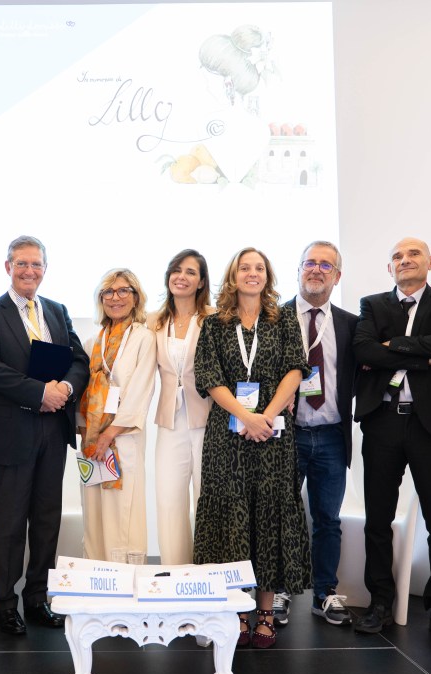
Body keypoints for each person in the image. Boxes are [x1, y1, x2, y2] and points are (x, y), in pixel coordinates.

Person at [352, 237, 431, 644]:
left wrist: (393, 347)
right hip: (383, 421)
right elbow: (364, 350)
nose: (405, 260)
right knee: (378, 518)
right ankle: (380, 602)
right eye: (397, 257)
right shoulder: (373, 305)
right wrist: (426, 354)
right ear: (390, 269)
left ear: (430, 262)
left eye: (413, 254)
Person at [192, 247, 311, 650]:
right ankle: (237, 611)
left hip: (273, 436)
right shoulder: (214, 324)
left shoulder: (283, 319)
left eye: (259, 268)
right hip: (226, 437)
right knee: (231, 519)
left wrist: (266, 417)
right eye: (245, 267)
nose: (252, 273)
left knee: (269, 518)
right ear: (233, 276)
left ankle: (265, 613)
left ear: (267, 276)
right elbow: (209, 377)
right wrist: (246, 416)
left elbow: (295, 369)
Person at [0, 235, 90, 635]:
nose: (29, 271)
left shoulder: (56, 310)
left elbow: (79, 361)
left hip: (53, 428)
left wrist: (65, 390)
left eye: (36, 264)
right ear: (8, 267)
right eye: (21, 264)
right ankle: (5, 603)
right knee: (9, 522)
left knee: (46, 518)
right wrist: (40, 392)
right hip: (13, 429)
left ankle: (38, 597)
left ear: (45, 269)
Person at [276, 241, 358, 627]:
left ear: (337, 276)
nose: (316, 270)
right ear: (298, 270)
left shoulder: (350, 323)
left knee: (328, 519)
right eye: (310, 262)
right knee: (280, 515)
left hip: (330, 436)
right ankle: (277, 589)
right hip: (285, 435)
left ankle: (325, 592)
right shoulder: (274, 318)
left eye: (326, 265)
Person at [79, 269, 156, 561]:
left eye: (124, 290)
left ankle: (124, 575)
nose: (116, 297)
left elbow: (140, 391)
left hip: (122, 438)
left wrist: (109, 434)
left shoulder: (144, 338)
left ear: (136, 297)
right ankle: (96, 572)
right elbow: (84, 392)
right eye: (108, 292)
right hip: (92, 441)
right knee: (94, 511)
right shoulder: (92, 342)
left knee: (122, 511)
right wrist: (86, 433)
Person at [149, 250, 214, 566]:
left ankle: (208, 572)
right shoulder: (153, 321)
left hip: (208, 421)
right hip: (170, 421)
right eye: (176, 270)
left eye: (190, 272)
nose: (182, 277)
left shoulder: (214, 318)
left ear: (201, 281)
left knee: (207, 500)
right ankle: (175, 573)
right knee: (169, 500)